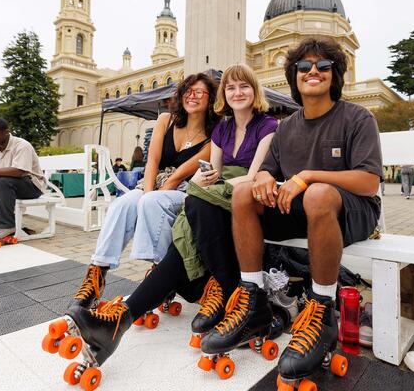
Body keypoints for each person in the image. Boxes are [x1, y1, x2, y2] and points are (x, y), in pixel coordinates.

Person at [53, 65, 277, 371]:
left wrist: (201, 186)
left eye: (244, 87)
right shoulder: (222, 128)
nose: (237, 93)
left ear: (255, 91)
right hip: (212, 194)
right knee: (173, 216)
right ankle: (115, 319)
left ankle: (216, 290)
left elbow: (251, 177)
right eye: (231, 88)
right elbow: (209, 172)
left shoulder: (267, 125)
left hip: (243, 195)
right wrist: (200, 184)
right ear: (223, 95)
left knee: (190, 211)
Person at [201, 38, 382, 384]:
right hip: (304, 210)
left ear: (335, 74)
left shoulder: (357, 117)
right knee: (243, 196)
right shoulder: (287, 128)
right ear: (294, 76)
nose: (313, 71)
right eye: (304, 66)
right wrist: (265, 180)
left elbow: (369, 182)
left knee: (317, 194)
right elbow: (267, 169)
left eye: (323, 66)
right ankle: (252, 301)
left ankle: (322, 313)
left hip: (353, 212)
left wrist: (308, 176)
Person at [66, 73, 217, 313]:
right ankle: (96, 276)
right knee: (123, 205)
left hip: (186, 190)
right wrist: (147, 193)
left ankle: (162, 276)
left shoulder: (214, 134)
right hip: (152, 183)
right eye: (188, 91)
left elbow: (180, 175)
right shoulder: (166, 120)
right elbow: (153, 160)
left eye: (199, 92)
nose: (192, 95)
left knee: (152, 203)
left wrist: (151, 197)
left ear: (211, 100)